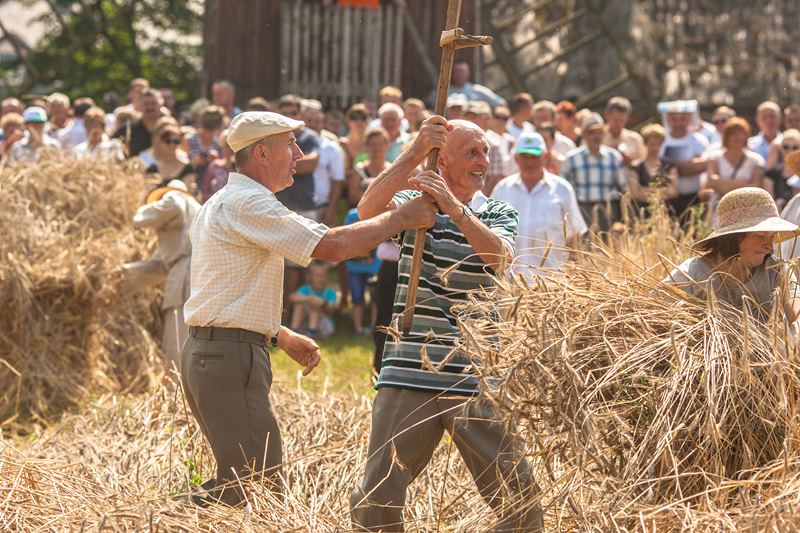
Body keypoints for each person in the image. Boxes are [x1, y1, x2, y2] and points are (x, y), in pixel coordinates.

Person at [181, 111, 438, 507]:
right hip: (227, 358)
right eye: (290, 145)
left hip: (215, 354)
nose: (300, 154)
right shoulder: (248, 203)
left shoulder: (222, 201)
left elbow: (223, 289)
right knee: (252, 487)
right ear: (261, 153)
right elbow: (333, 247)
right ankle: (156, 520)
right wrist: (402, 217)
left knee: (246, 483)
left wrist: (278, 333)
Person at [351, 118, 544, 531]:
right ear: (443, 160)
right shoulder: (415, 204)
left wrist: (455, 210)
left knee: (521, 499)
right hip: (409, 369)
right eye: (472, 152)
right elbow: (367, 211)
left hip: (474, 372)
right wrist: (415, 151)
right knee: (376, 497)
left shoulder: (497, 211)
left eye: (485, 151)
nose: (483, 161)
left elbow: (499, 257)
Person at [663, 187, 799, 325]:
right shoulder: (690, 274)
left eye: (772, 236)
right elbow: (658, 316)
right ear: (733, 237)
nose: (769, 246)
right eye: (760, 235)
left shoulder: (777, 271)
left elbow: (796, 314)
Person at [119, 180, 201, 370]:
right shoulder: (192, 223)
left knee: (177, 344)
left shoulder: (177, 198)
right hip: (200, 278)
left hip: (185, 279)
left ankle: (177, 385)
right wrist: (124, 272)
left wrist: (133, 216)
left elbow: (172, 205)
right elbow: (160, 267)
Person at [492, 132, 587, 279]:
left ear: (545, 157)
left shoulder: (563, 189)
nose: (529, 162)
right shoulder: (501, 190)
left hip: (552, 283)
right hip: (508, 283)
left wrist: (575, 274)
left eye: (534, 156)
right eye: (524, 156)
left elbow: (575, 235)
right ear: (516, 158)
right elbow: (490, 233)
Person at [561, 112, 628, 232]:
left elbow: (624, 189)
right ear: (583, 134)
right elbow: (563, 189)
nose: (596, 136)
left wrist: (623, 218)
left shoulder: (614, 157)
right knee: (585, 243)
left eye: (599, 132)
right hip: (581, 211)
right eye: (591, 132)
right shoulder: (572, 158)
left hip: (609, 212)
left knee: (608, 243)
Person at [657, 100, 709, 219]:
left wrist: (669, 163)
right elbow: (654, 165)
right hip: (666, 198)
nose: (678, 122)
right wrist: (687, 166)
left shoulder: (699, 140)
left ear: (689, 118)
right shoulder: (661, 140)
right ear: (668, 119)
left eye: (682, 118)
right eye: (674, 118)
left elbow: (701, 165)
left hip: (693, 197)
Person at [705, 118, 765, 210]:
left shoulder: (756, 160)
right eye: (733, 134)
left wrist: (722, 184)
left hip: (746, 209)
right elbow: (711, 180)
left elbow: (755, 187)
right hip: (719, 209)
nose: (737, 137)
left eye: (741, 133)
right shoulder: (714, 157)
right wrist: (741, 183)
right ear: (726, 137)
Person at [304, 104, 346, 226]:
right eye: (309, 121)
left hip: (321, 209)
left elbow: (337, 181)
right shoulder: (294, 145)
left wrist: (331, 209)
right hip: (296, 208)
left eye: (317, 121)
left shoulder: (332, 148)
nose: (313, 124)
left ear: (323, 124)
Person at [343, 208, 381, 336]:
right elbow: (344, 236)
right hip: (354, 267)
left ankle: (375, 328)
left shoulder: (378, 213)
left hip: (374, 267)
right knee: (357, 297)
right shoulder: (351, 215)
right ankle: (358, 329)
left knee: (376, 298)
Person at [627, 123, 678, 211]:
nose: (655, 148)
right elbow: (635, 193)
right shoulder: (635, 166)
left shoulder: (669, 165)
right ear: (645, 143)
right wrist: (662, 191)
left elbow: (673, 191)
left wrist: (645, 190)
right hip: (642, 212)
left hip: (664, 212)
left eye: (658, 144)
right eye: (652, 144)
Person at [289, 260, 338, 339]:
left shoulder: (330, 292)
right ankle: (294, 331)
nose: (320, 279)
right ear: (310, 277)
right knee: (299, 304)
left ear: (327, 277)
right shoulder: (305, 289)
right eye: (317, 276)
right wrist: (309, 298)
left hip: (324, 326)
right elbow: (292, 297)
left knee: (315, 306)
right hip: (306, 324)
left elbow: (333, 309)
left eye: (323, 276)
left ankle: (312, 333)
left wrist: (323, 304)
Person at [426, 61, 505, 109]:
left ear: (468, 73)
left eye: (462, 71)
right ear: (452, 73)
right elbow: (427, 105)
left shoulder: (478, 90)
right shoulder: (442, 91)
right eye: (457, 72)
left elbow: (501, 103)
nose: (459, 75)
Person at [113, 88, 164, 157]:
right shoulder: (128, 129)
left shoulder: (168, 129)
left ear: (161, 104)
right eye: (146, 104)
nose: (150, 107)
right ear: (140, 106)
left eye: (153, 103)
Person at [187, 105, 225, 190]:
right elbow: (183, 163)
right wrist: (195, 161)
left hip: (213, 186)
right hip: (193, 184)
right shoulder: (189, 139)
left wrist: (216, 160)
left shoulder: (219, 142)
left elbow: (225, 163)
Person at [602, 96, 645, 163]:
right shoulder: (596, 137)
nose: (618, 124)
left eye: (621, 120)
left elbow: (644, 163)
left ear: (627, 118)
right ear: (606, 115)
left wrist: (631, 161)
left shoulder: (635, 139)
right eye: (615, 120)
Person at [341, 103, 370, 201]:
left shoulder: (374, 143)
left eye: (363, 117)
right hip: (348, 193)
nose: (358, 121)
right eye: (354, 117)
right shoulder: (343, 144)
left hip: (372, 189)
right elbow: (341, 173)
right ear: (348, 121)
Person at [765, 128, 800, 209]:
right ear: (780, 148)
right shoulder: (771, 174)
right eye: (785, 147)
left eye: (795, 147)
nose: (790, 150)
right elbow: (768, 203)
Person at [202, 128, 234, 202]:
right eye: (226, 145)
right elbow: (205, 190)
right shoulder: (215, 166)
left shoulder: (241, 168)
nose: (229, 149)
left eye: (232, 146)